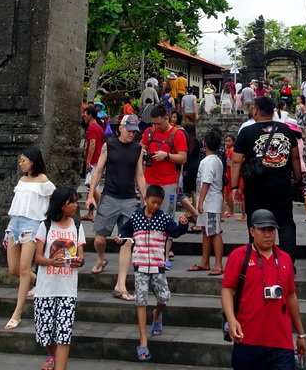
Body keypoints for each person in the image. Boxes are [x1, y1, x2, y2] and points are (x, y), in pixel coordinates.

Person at [221, 209, 306, 370]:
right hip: (248, 340)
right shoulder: (239, 256)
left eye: (271, 230)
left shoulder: (285, 259)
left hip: (282, 342)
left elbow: (291, 296)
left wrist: (301, 334)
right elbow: (227, 289)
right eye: (262, 230)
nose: (268, 234)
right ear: (252, 231)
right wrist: (231, 320)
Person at [117, 184, 192, 362]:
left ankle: (157, 314)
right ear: (146, 200)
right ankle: (143, 340)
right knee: (141, 300)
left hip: (158, 265)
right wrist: (121, 238)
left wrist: (183, 225)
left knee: (164, 297)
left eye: (159, 203)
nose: (156, 206)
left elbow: (175, 231)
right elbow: (126, 231)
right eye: (153, 202)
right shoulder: (136, 216)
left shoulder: (163, 218)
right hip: (140, 266)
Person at [230, 95, 301, 261]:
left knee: (255, 222)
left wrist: (235, 187)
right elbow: (295, 158)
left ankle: (258, 259)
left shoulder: (247, 132)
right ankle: (288, 262)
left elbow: (236, 161)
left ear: (255, 110)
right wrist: (297, 180)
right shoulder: (286, 130)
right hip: (281, 185)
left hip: (256, 187)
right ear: (273, 111)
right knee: (285, 222)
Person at [86, 114, 147, 300]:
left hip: (129, 199)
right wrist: (90, 194)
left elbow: (140, 175)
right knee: (99, 239)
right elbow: (98, 171)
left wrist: (145, 199)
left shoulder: (138, 149)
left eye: (134, 132)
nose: (131, 135)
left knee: (128, 241)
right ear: (121, 128)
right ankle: (100, 257)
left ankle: (120, 284)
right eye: (129, 131)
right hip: (110, 197)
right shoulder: (109, 146)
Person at [33, 186, 86, 370]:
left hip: (67, 289)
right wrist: (50, 262)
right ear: (61, 205)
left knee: (64, 333)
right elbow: (37, 257)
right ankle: (51, 355)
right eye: (71, 201)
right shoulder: (45, 226)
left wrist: (78, 261)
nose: (75, 205)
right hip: (46, 289)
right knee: (45, 332)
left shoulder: (77, 226)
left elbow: (81, 256)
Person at [3, 146, 55, 329]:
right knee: (13, 269)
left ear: (33, 161)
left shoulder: (44, 182)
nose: (21, 163)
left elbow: (51, 204)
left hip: (32, 224)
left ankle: (17, 313)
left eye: (23, 160)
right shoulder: (22, 180)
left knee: (24, 268)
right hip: (15, 223)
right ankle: (40, 282)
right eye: (20, 160)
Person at [141, 104, 188, 266]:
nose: (156, 127)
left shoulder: (177, 134)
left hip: (168, 182)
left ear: (167, 119)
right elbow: (141, 150)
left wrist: (166, 155)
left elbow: (182, 158)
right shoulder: (149, 133)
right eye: (153, 123)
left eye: (159, 123)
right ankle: (147, 252)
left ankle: (165, 255)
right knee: (147, 216)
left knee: (167, 218)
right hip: (149, 180)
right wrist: (144, 155)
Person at [186, 128, 225, 274]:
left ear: (204, 144)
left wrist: (200, 202)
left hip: (210, 201)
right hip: (211, 200)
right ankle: (205, 261)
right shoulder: (217, 160)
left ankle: (218, 265)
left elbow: (206, 182)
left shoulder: (208, 161)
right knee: (206, 231)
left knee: (214, 231)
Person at [82, 107, 104, 221]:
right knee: (92, 188)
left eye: (85, 115)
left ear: (90, 115)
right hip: (99, 158)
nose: (84, 117)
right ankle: (90, 213)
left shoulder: (91, 128)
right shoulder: (99, 127)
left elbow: (92, 144)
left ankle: (104, 209)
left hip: (94, 160)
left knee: (91, 185)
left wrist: (88, 161)